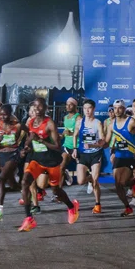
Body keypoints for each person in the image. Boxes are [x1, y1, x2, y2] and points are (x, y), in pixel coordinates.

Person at [18, 98, 80, 231]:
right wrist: (26, 148)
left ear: (45, 108)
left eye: (40, 107)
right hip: (37, 160)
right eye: (35, 107)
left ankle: (71, 206)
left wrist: (41, 140)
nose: (37, 109)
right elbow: (30, 137)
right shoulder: (30, 122)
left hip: (51, 161)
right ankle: (29, 219)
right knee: (25, 182)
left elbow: (57, 146)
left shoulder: (49, 123)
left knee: (56, 190)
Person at [106, 99, 135, 217]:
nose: (117, 110)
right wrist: (97, 144)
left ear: (124, 109)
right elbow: (106, 142)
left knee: (123, 182)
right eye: (115, 108)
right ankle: (128, 207)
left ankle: (133, 182)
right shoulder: (111, 125)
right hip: (119, 156)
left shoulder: (131, 122)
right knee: (117, 185)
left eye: (120, 108)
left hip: (130, 156)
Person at [0, 105, 27, 221]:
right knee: (12, 184)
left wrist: (25, 148)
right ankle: (24, 189)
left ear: (10, 114)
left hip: (13, 154)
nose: (3, 116)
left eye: (5, 114)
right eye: (1, 114)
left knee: (1, 179)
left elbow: (30, 134)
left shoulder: (17, 125)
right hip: (2, 155)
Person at [75, 98, 108, 213]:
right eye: (85, 108)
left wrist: (93, 145)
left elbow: (103, 141)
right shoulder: (80, 122)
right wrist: (75, 149)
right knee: (80, 181)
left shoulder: (97, 123)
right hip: (83, 155)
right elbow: (75, 135)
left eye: (89, 108)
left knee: (95, 180)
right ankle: (89, 179)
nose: (87, 111)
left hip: (95, 154)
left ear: (93, 109)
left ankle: (97, 204)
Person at [61, 97, 81, 188]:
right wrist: (61, 135)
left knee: (82, 175)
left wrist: (71, 133)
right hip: (66, 145)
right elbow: (66, 132)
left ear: (75, 106)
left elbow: (81, 132)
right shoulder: (65, 117)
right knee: (61, 166)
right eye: (67, 104)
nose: (68, 106)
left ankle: (91, 180)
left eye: (70, 104)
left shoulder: (78, 117)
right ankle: (57, 193)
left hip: (76, 147)